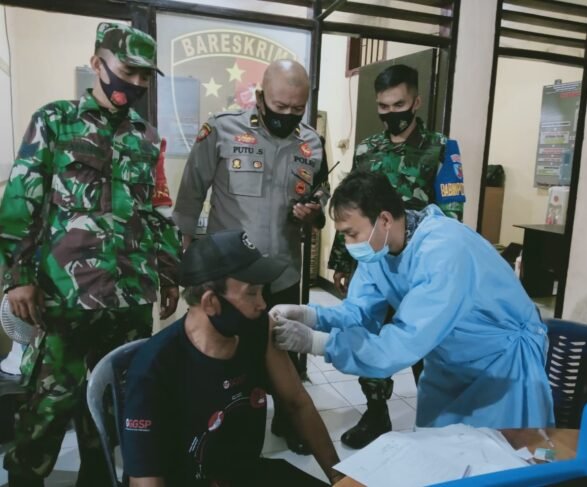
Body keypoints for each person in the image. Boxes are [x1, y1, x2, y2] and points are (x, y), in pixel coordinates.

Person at [0, 23, 181, 487]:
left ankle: (97, 477)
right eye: (127, 71)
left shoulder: (147, 138)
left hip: (129, 294)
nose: (135, 83)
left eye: (145, 76)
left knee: (113, 400)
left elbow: (156, 211)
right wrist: (17, 277)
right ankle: (24, 478)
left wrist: (168, 272)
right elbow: (21, 200)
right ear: (97, 63)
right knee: (49, 399)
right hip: (64, 294)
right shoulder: (55, 120)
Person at [272, 171, 554, 433]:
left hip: (501, 364)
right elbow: (359, 312)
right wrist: (310, 316)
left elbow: (398, 345)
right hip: (449, 359)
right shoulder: (378, 250)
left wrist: (316, 343)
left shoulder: (444, 250)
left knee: (496, 456)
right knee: (439, 449)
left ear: (384, 220)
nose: (349, 243)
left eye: (351, 233)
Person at [172, 59, 328, 453]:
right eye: (280, 106)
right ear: (260, 97)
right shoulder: (222, 129)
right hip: (231, 277)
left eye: (297, 109)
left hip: (283, 271)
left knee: (282, 349)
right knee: (225, 352)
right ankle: (219, 424)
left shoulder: (312, 144)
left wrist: (312, 214)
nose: (287, 116)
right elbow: (190, 195)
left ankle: (287, 419)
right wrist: (183, 258)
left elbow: (321, 203)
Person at [122, 229, 342, 486]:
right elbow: (146, 479)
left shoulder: (258, 329)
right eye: (251, 293)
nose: (262, 304)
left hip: (245, 474)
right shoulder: (153, 368)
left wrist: (338, 477)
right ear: (210, 303)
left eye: (262, 292)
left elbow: (297, 403)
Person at [326, 64, 466, 449]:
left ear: (416, 102)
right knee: (370, 335)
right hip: (374, 268)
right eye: (383, 107)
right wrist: (343, 262)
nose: (391, 113)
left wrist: (442, 271)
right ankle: (376, 413)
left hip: (419, 271)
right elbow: (350, 209)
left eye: (399, 105)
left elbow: (452, 213)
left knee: (426, 345)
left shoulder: (441, 148)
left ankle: (435, 420)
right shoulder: (368, 149)